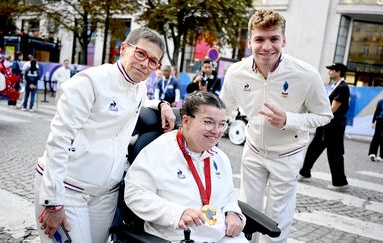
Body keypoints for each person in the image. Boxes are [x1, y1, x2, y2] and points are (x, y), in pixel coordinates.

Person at [34, 27, 176, 243]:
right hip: (69, 190)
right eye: (141, 54)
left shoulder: (138, 88)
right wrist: (53, 201)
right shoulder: (89, 82)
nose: (145, 64)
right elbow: (58, 140)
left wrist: (162, 104)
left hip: (105, 195)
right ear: (123, 49)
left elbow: (132, 104)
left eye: (153, 61)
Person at [219, 9, 333, 243]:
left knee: (277, 217)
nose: (266, 46)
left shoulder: (307, 75)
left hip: (287, 154)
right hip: (252, 149)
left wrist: (289, 120)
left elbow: (324, 115)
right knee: (247, 212)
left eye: (274, 39)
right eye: (259, 39)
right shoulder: (235, 72)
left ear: (284, 40)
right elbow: (225, 110)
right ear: (250, 41)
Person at [124, 91, 248, 242]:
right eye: (208, 122)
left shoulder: (220, 157)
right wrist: (177, 213)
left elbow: (228, 194)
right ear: (186, 121)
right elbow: (135, 194)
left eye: (222, 124)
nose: (216, 131)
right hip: (178, 237)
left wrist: (232, 212)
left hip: (223, 236)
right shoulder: (158, 151)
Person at [299, 63, 350, 191]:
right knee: (314, 147)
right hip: (326, 125)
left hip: (334, 127)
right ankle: (304, 172)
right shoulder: (335, 86)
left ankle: (340, 182)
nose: (329, 72)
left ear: (338, 72)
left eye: (331, 70)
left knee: (335, 153)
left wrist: (317, 114)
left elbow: (332, 109)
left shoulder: (343, 87)